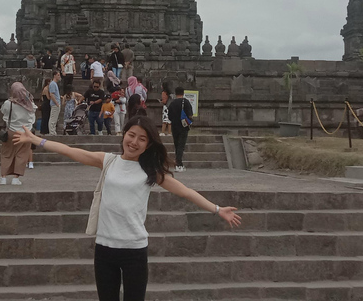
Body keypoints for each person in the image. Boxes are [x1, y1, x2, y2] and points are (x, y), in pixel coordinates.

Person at [13, 116, 241, 301]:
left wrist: (217, 209)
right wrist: (36, 140)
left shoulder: (152, 171)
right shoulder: (108, 161)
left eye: (141, 139)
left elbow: (186, 191)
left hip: (134, 250)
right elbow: (72, 151)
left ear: (148, 144)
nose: (134, 142)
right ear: (124, 135)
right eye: (131, 135)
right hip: (104, 248)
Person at [0, 82, 37, 185]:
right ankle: (16, 178)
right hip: (25, 132)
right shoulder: (29, 104)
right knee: (22, 154)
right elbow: (32, 118)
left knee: (6, 153)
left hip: (11, 131)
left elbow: (3, 112)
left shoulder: (8, 103)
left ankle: (3, 177)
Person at [167, 87, 194, 172]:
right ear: (183, 93)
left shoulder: (172, 103)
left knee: (176, 144)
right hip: (183, 126)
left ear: (175, 93)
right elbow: (190, 115)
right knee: (181, 145)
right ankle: (178, 164)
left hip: (174, 126)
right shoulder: (186, 102)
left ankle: (178, 164)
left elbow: (169, 116)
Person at [47, 71, 62, 136]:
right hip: (55, 104)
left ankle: (53, 131)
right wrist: (56, 103)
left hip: (56, 103)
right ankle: (52, 132)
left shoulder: (54, 84)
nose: (59, 76)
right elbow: (51, 94)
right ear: (54, 75)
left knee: (55, 118)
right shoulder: (53, 84)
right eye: (58, 75)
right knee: (53, 118)